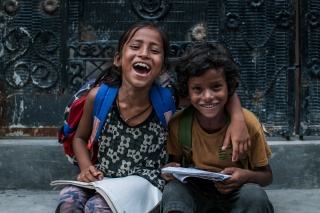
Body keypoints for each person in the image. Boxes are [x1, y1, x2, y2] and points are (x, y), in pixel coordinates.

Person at [56, 21, 249, 212]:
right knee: (68, 201)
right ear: (118, 59)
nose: (144, 54)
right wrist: (86, 167)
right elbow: (80, 138)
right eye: (135, 46)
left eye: (154, 50)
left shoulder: (167, 98)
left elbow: (215, 89)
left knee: (96, 207)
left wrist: (238, 119)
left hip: (146, 181)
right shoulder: (99, 97)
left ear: (163, 68)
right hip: (104, 177)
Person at [161, 42, 274, 213]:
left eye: (216, 87)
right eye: (197, 89)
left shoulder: (248, 124)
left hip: (237, 191)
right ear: (187, 92)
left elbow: (266, 176)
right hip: (196, 191)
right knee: (173, 190)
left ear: (229, 87)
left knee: (255, 195)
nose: (207, 96)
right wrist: (170, 171)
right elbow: (175, 164)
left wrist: (246, 176)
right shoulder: (179, 124)